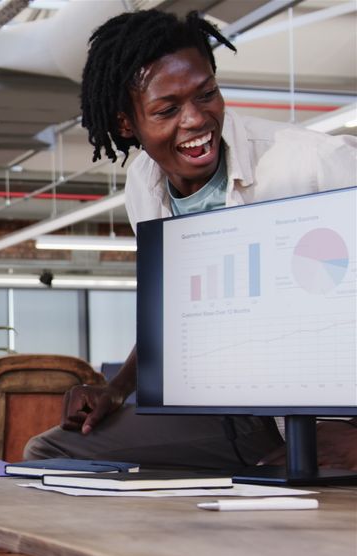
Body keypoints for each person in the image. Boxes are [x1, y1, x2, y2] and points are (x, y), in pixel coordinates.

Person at [24, 10, 357, 471]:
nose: (197, 119)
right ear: (126, 124)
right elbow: (173, 308)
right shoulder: (144, 184)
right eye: (167, 109)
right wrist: (116, 388)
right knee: (52, 455)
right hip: (235, 411)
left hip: (330, 418)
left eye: (207, 95)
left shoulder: (317, 165)